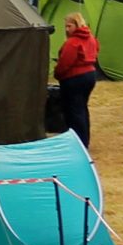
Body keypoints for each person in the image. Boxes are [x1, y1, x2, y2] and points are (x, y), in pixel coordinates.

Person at [54, 13, 99, 148]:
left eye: (69, 26)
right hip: (90, 75)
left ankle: (78, 142)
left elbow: (65, 62)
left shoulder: (72, 42)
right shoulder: (91, 38)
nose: (67, 29)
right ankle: (84, 140)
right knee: (82, 108)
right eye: (66, 26)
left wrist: (57, 73)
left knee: (73, 110)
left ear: (77, 25)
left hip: (74, 78)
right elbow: (96, 50)